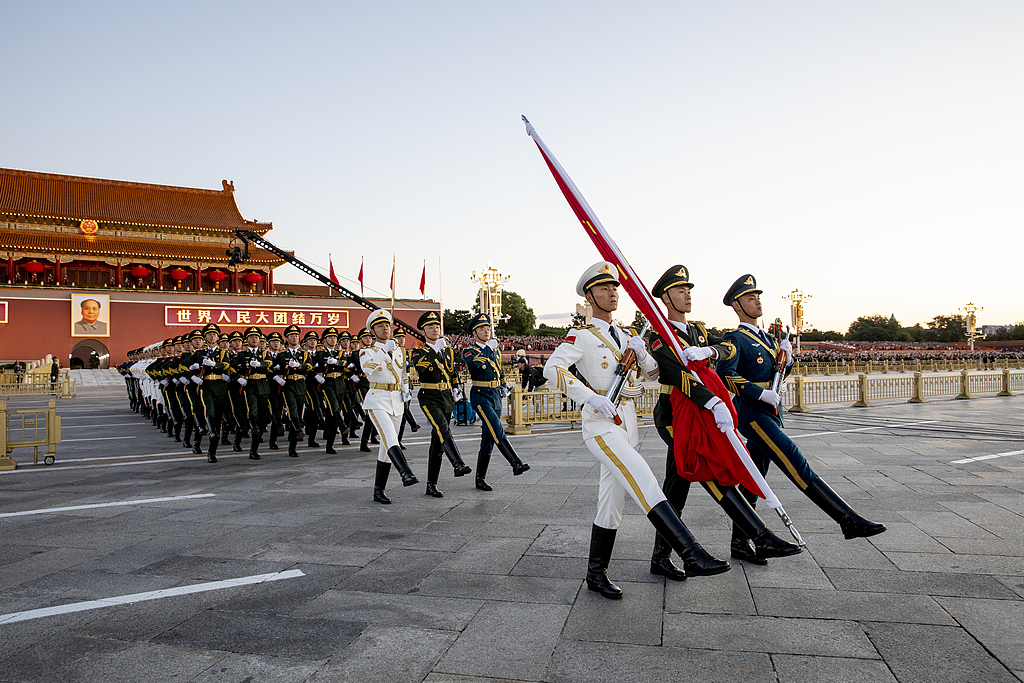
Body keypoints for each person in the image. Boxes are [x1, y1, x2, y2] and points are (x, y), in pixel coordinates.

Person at [544, 262, 730, 599]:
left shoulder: (627, 335)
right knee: (642, 476)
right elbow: (551, 368)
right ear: (590, 296)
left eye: (614, 288)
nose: (612, 293)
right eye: (603, 289)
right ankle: (692, 553)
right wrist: (591, 398)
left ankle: (595, 573)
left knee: (611, 501)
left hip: (627, 424)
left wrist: (643, 357)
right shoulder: (582, 336)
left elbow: (655, 376)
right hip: (601, 424)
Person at [717, 274, 886, 560]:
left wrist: (789, 362)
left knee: (753, 478)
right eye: (749, 298)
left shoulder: (769, 339)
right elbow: (725, 376)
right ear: (736, 305)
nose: (757, 301)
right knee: (795, 461)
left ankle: (740, 542)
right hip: (752, 413)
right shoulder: (734, 339)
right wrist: (758, 395)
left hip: (770, 412)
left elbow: (776, 377)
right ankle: (847, 520)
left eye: (758, 296)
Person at [648, 265, 802, 565]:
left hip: (700, 411)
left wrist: (711, 352)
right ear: (666, 298)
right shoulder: (658, 336)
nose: (688, 295)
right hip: (673, 414)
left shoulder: (699, 331)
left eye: (689, 290)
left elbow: (726, 348)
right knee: (710, 467)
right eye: (681, 291)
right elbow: (677, 375)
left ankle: (661, 557)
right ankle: (759, 535)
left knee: (677, 484)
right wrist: (714, 403)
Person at [463, 313, 530, 490]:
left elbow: (499, 369)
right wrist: (489, 350)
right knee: (496, 428)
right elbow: (475, 364)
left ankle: (480, 478)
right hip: (480, 394)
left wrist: (503, 385)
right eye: (482, 329)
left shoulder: (494, 350)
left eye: (488, 328)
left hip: (495, 395)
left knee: (488, 437)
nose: (486, 331)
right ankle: (515, 462)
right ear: (474, 333)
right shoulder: (470, 351)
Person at [410, 310, 472, 497]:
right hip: (429, 397)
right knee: (443, 428)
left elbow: (452, 371)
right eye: (430, 326)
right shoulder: (419, 351)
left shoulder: (447, 350)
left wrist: (455, 388)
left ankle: (431, 484)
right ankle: (458, 463)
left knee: (437, 441)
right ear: (424, 330)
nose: (435, 329)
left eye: (437, 326)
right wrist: (435, 350)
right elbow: (422, 369)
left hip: (445, 396)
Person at [360, 310, 419, 503]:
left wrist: (404, 389)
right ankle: (406, 472)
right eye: (380, 326)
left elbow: (402, 374)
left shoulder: (399, 351)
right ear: (372, 331)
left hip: (396, 401)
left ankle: (379, 490)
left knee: (386, 447)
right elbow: (368, 370)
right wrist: (384, 351)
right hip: (377, 399)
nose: (385, 328)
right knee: (390, 436)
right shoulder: (367, 351)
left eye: (387, 325)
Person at [231, 326, 273, 460]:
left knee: (262, 414)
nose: (254, 339)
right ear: (247, 340)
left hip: (262, 387)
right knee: (251, 411)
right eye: (251, 337)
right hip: (248, 386)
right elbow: (231, 367)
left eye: (256, 337)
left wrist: (260, 364)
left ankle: (255, 440)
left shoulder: (265, 353)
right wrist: (238, 377)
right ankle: (249, 440)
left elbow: (269, 363)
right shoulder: (241, 355)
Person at [274, 324, 313, 457]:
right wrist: (278, 377)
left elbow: (309, 366)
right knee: (292, 410)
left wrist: (299, 365)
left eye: (296, 335)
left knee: (298, 411)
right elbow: (273, 369)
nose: (295, 338)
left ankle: (293, 446)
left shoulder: (304, 354)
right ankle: (298, 428)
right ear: (287, 338)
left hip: (300, 385)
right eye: (292, 336)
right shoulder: (281, 355)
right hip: (288, 385)